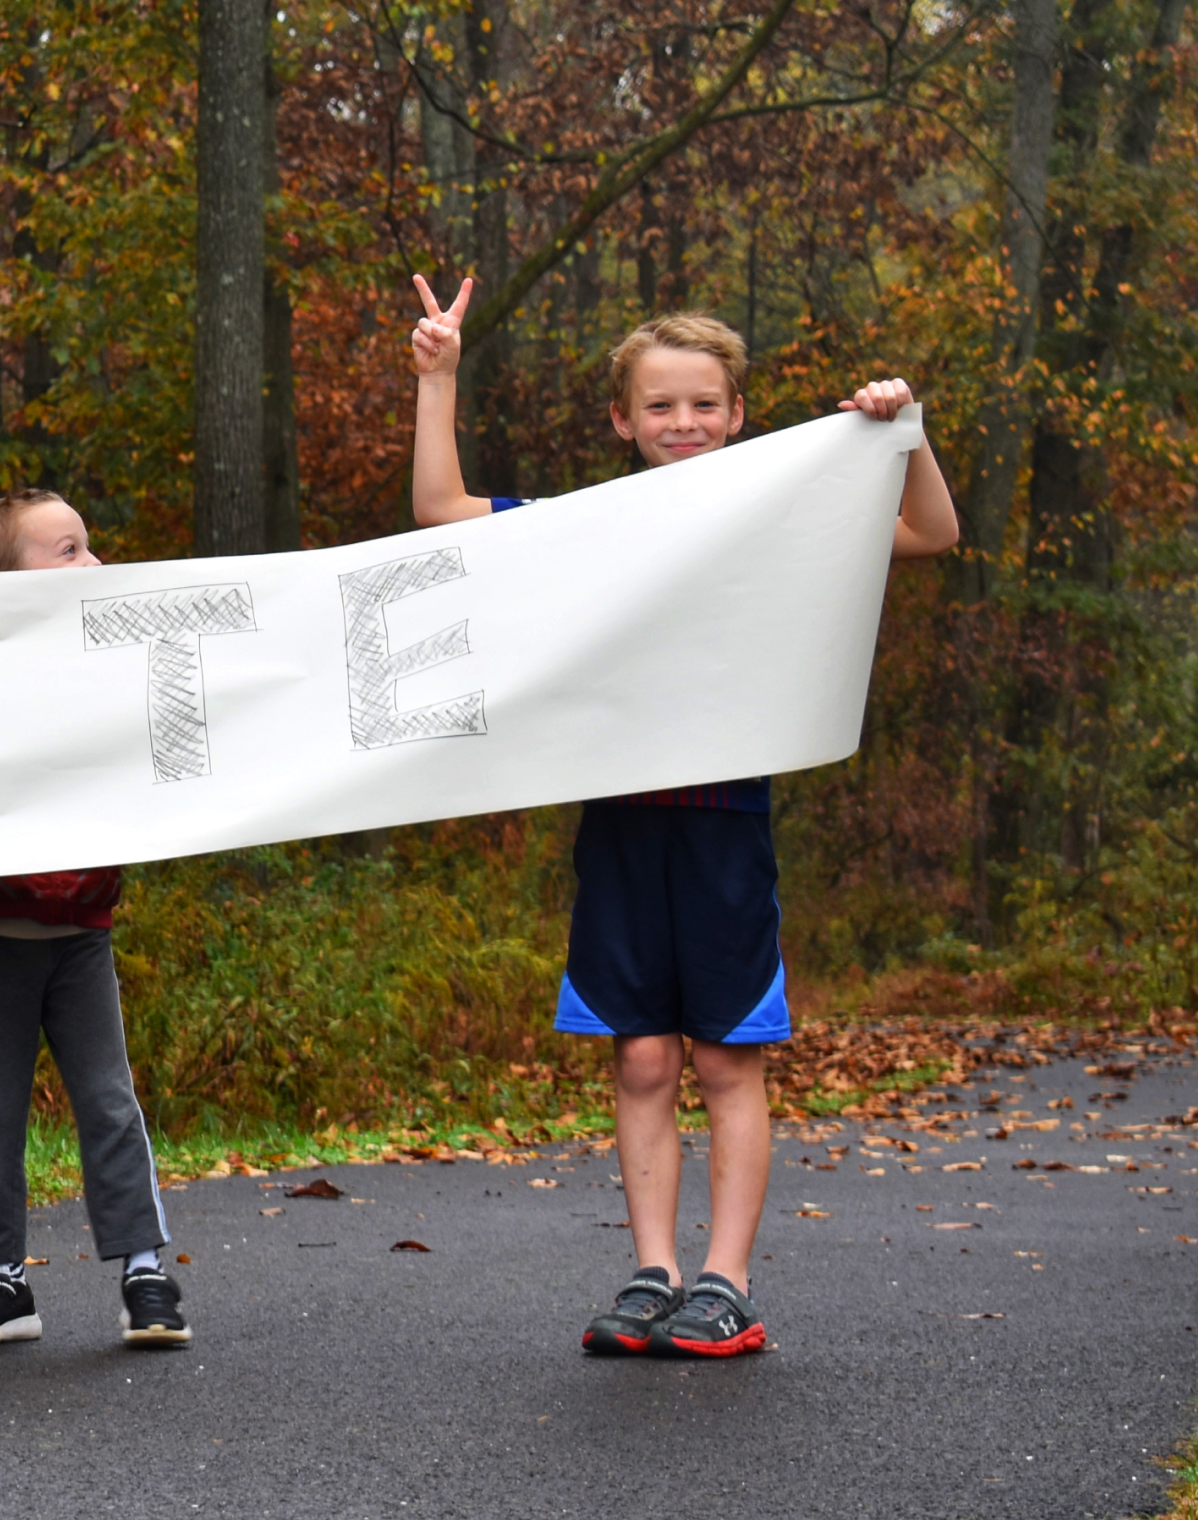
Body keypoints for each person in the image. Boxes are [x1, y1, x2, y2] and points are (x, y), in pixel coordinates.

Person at [406, 277, 959, 1357]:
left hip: (721, 833)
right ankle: (652, 1271)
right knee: (643, 1061)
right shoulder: (585, 526)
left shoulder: (787, 516)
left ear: (738, 412)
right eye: (658, 406)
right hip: (617, 830)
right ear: (622, 420)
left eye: (703, 403)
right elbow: (438, 514)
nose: (682, 422)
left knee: (724, 1060)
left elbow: (929, 531)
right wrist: (438, 378)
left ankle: (725, 1280)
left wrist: (906, 431)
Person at [0, 490, 187, 1348]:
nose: (91, 565)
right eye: (66, 551)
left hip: (80, 931)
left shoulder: (108, 657)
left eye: (89, 548)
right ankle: (2, 1280)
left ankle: (144, 1271)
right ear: (1, 583)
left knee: (107, 1101)